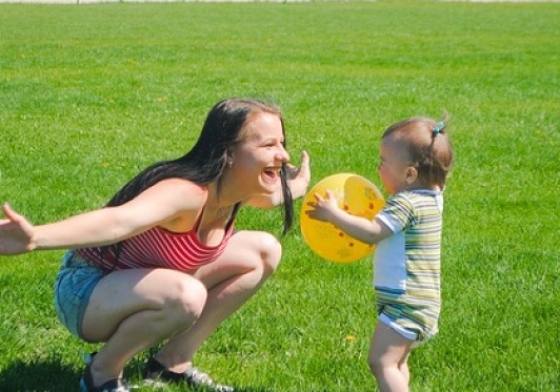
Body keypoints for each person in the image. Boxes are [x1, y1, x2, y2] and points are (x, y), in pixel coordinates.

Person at [0, 98, 311, 392]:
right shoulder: (186, 194)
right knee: (186, 295)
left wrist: (296, 187)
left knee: (264, 250)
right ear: (227, 153)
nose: (282, 155)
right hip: (85, 291)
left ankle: (171, 362)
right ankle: (102, 374)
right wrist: (36, 237)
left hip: (138, 286)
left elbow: (271, 197)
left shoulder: (236, 190)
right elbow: (118, 221)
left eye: (282, 143)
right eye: (268, 145)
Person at [305, 116, 453, 392]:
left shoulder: (405, 203)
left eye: (384, 162)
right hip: (421, 300)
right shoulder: (433, 196)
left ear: (410, 174)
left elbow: (372, 232)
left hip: (405, 300)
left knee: (381, 361)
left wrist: (333, 214)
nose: (378, 167)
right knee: (396, 363)